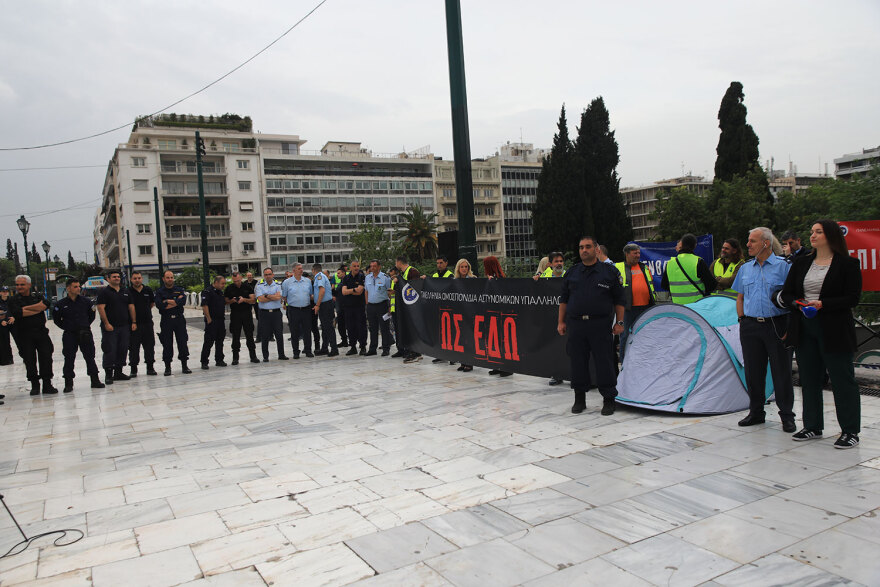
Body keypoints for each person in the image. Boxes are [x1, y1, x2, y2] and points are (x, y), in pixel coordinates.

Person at [775, 220, 863, 448]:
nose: (812, 235)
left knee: (843, 379)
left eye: (818, 232)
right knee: (809, 378)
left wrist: (824, 304)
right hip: (805, 326)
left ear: (831, 236)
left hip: (834, 328)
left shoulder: (848, 264)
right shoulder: (802, 262)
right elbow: (787, 293)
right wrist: (798, 303)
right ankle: (813, 425)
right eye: (811, 231)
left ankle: (850, 430)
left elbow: (852, 298)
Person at [732, 227, 795, 432]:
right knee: (753, 372)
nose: (748, 245)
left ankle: (787, 416)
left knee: (781, 372)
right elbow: (740, 297)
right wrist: (742, 319)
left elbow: (793, 299)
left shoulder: (783, 267)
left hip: (776, 325)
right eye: (748, 241)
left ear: (765, 243)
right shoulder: (745, 268)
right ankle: (756, 412)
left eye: (752, 241)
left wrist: (790, 326)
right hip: (750, 325)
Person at [558, 237, 625, 416]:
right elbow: (564, 299)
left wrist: (619, 322)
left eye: (588, 247)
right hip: (577, 324)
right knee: (578, 362)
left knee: (604, 362)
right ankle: (579, 398)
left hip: (600, 324)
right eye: (581, 247)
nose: (584, 250)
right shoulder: (572, 272)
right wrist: (561, 321)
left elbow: (619, 300)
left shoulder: (609, 272)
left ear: (596, 249)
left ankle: (609, 399)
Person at [5, 275, 57, 395]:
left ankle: (47, 384)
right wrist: (37, 309)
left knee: (46, 357)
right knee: (29, 360)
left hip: (41, 332)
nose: (19, 287)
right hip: (24, 334)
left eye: (22, 284)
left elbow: (45, 305)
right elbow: (18, 313)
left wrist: (27, 308)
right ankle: (35, 384)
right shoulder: (13, 300)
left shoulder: (37, 296)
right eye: (17, 285)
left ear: (29, 285)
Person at [52, 278, 104, 392]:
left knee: (90, 356)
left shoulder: (86, 302)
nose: (78, 288)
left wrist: (84, 325)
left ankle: (95, 380)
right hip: (70, 334)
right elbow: (56, 320)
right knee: (69, 358)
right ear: (68, 288)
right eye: (75, 287)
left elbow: (92, 316)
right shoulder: (61, 304)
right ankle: (68, 383)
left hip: (85, 332)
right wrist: (67, 327)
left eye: (79, 286)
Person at [614, 244, 656, 362]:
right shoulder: (618, 267)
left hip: (645, 307)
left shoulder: (644, 267)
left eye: (638, 253)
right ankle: (624, 363)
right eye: (635, 253)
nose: (638, 255)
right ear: (627, 254)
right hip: (627, 309)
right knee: (625, 337)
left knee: (645, 335)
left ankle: (645, 361)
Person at [96, 269, 134, 384]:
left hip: (124, 327)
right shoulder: (104, 292)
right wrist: (107, 323)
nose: (116, 278)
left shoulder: (125, 291)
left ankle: (118, 372)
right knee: (110, 350)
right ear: (108, 279)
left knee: (123, 349)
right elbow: (100, 308)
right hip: (110, 328)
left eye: (118, 277)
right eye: (114, 277)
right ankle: (109, 374)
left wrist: (134, 322)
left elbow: (131, 307)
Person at [536, 252, 567, 385]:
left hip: (567, 317)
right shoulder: (544, 276)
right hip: (550, 318)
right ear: (550, 264)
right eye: (556, 261)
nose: (559, 263)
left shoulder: (569, 276)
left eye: (561, 261)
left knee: (569, 347)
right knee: (554, 348)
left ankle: (572, 374)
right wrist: (535, 280)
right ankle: (556, 374)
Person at [155, 269, 192, 375]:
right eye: (168, 277)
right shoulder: (160, 292)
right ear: (163, 279)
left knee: (182, 342)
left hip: (179, 319)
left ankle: (184, 366)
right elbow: (160, 305)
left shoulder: (179, 290)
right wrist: (176, 302)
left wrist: (167, 301)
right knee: (167, 344)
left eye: (171, 277)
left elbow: (183, 301)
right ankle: (167, 367)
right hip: (166, 320)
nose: (170, 279)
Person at [662, 233, 715, 304]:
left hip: (678, 306)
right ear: (695, 245)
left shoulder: (670, 263)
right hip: (696, 306)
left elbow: (664, 285)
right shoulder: (698, 261)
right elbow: (711, 285)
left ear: (682, 245)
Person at [483, 256, 512, 377]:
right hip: (493, 315)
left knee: (502, 341)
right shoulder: (494, 278)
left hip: (499, 315)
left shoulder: (498, 279)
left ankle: (506, 367)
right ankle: (498, 365)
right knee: (495, 341)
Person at [224, 271, 259, 365]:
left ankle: (253, 356)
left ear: (241, 278)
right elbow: (225, 301)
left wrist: (244, 300)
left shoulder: (247, 287)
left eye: (238, 280)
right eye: (235, 281)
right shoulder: (229, 288)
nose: (237, 283)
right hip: (235, 314)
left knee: (250, 336)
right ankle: (235, 358)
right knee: (235, 336)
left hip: (246, 313)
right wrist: (232, 300)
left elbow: (253, 300)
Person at [255, 267, 288, 362]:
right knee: (264, 335)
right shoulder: (259, 285)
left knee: (279, 334)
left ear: (273, 275)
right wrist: (273, 296)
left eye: (269, 274)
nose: (268, 276)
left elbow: (279, 297)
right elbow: (260, 299)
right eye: (266, 274)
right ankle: (265, 357)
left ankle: (281, 354)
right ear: (263, 275)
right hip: (264, 314)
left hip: (276, 313)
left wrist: (267, 295)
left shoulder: (278, 284)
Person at [127, 271, 157, 376]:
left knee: (149, 346)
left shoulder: (147, 290)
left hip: (148, 323)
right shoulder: (128, 291)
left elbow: (152, 303)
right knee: (133, 347)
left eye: (139, 278)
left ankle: (150, 368)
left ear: (141, 279)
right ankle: (133, 369)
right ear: (131, 280)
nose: (137, 280)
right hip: (134, 324)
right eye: (135, 278)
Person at [282, 263, 314, 358]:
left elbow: (310, 294)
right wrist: (293, 303)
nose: (301, 270)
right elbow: (284, 296)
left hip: (306, 309)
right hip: (293, 310)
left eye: (301, 268)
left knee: (307, 330)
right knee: (294, 331)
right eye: (299, 268)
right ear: (294, 270)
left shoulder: (307, 281)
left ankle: (308, 350)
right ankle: (296, 352)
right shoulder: (287, 282)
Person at [394, 255, 422, 362]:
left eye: (396, 262)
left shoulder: (412, 272)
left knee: (412, 330)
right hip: (405, 307)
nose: (395, 265)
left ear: (399, 262)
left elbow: (414, 287)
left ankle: (414, 352)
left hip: (412, 307)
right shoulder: (402, 274)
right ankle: (413, 351)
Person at [365, 259, 393, 356]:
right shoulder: (368, 277)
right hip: (371, 306)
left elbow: (390, 292)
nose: (372, 268)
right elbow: (366, 291)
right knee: (372, 328)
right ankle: (372, 349)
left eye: (374, 266)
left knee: (384, 328)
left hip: (382, 305)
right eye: (371, 266)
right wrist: (367, 303)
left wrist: (390, 306)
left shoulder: (385, 278)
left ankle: (386, 348)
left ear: (379, 267)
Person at [200, 275, 228, 369]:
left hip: (220, 320)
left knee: (220, 341)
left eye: (224, 283)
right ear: (216, 282)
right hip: (212, 320)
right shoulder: (207, 292)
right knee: (208, 342)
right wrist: (208, 319)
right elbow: (204, 305)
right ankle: (204, 361)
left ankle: (219, 359)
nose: (223, 285)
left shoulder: (220, 292)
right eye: (222, 283)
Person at [341, 260, 368, 355]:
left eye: (358, 266)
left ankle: (363, 346)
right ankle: (353, 347)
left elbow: (360, 291)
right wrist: (353, 290)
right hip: (348, 307)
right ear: (350, 268)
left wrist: (349, 290)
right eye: (354, 266)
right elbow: (343, 292)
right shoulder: (346, 278)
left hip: (359, 306)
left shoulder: (361, 276)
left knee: (361, 327)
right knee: (350, 327)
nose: (356, 268)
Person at [454, 258, 476, 373]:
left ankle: (470, 363)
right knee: (460, 339)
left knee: (469, 338)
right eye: (462, 267)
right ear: (458, 268)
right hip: (459, 314)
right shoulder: (455, 281)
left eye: (466, 267)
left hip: (470, 314)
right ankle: (463, 361)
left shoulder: (473, 279)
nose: (464, 269)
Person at [311, 263, 338, 357]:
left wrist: (317, 304)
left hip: (325, 305)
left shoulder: (319, 277)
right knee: (325, 327)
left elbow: (322, 291)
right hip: (324, 304)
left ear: (313, 270)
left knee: (328, 327)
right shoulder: (321, 276)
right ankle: (325, 348)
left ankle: (334, 349)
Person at [330, 265, 349, 348]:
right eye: (337, 273)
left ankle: (352, 341)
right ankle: (344, 341)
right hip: (340, 307)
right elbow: (337, 293)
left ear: (343, 273)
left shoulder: (347, 281)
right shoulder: (341, 283)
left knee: (349, 325)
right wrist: (332, 291)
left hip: (346, 307)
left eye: (339, 273)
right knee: (341, 326)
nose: (337, 275)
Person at [246, 271, 261, 342]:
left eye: (251, 275)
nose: (250, 277)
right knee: (248, 317)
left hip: (256, 302)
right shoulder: (245, 283)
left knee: (259, 318)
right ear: (247, 276)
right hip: (248, 302)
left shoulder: (256, 282)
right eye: (248, 276)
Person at [0, 286, 14, 366]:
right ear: (0, 293)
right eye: (3, 291)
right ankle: (7, 359)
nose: (5, 293)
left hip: (12, 322)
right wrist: (1, 321)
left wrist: (14, 317)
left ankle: (25, 357)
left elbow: (16, 310)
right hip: (3, 324)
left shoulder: (12, 301)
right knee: (5, 342)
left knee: (20, 340)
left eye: (6, 291)